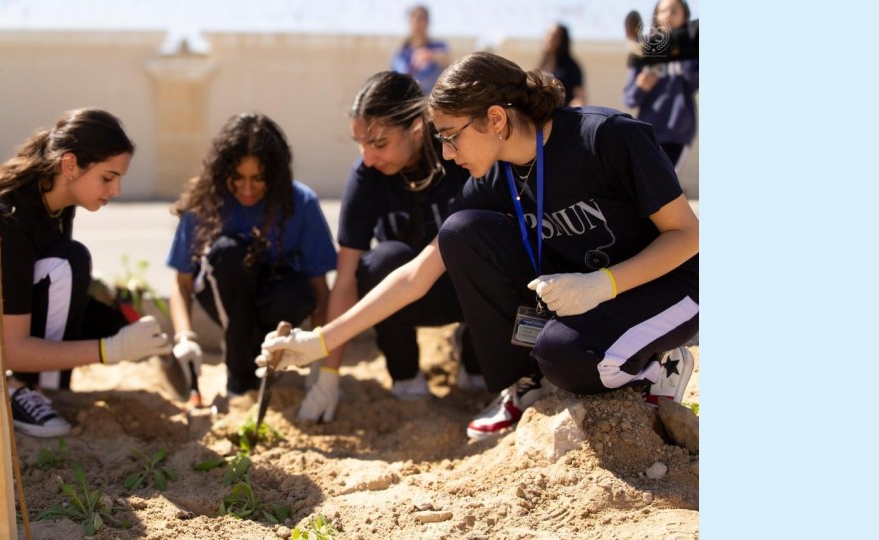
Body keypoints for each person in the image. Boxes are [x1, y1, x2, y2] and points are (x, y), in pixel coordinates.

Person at [258, 52, 699, 444]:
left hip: (670, 284)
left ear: (496, 119)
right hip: (585, 292)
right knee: (461, 231)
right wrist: (320, 342)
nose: (447, 154)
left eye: (451, 136)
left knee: (564, 357)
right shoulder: (498, 176)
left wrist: (603, 284)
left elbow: (688, 235)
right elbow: (417, 274)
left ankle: (658, 368)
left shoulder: (606, 137)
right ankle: (524, 383)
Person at [0, 109, 172, 438]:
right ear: (70, 165)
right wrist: (111, 350)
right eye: (107, 177)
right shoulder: (10, 218)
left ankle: (43, 388)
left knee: (93, 298)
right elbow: (12, 346)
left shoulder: (56, 201)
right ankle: (18, 389)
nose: (115, 190)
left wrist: (124, 322)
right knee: (69, 265)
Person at [296, 71, 484, 423]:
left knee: (482, 249)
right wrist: (328, 377)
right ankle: (405, 375)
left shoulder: (457, 156)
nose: (368, 157)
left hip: (465, 288)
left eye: (379, 143)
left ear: (416, 127)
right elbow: (345, 279)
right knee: (381, 260)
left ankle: (476, 358)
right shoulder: (367, 176)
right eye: (360, 143)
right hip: (403, 297)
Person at [166, 113, 337, 398]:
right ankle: (239, 377)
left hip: (275, 302)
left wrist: (323, 361)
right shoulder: (204, 203)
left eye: (258, 179)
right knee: (230, 252)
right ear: (223, 171)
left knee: (298, 291)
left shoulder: (301, 202)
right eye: (238, 178)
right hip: (224, 296)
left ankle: (260, 357)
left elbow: (319, 287)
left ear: (275, 175)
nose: (247, 190)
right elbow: (181, 284)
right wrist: (185, 337)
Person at [622, 0, 699, 171]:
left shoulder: (694, 50)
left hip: (677, 133)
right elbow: (629, 99)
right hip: (646, 131)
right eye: (663, 11)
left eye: (674, 11)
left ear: (685, 16)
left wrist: (682, 55)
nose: (668, 15)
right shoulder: (645, 50)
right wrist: (641, 87)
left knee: (666, 181)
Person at [390, 4, 450, 95]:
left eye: (420, 19)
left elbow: (449, 63)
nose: (416, 24)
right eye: (413, 20)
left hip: (432, 99)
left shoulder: (438, 46)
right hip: (409, 99)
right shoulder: (401, 52)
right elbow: (397, 79)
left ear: (427, 22)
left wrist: (429, 55)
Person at [537, 24, 586, 107]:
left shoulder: (571, 67)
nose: (549, 39)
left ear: (562, 40)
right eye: (548, 34)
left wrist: (571, 111)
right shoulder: (541, 64)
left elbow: (580, 98)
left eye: (554, 36)